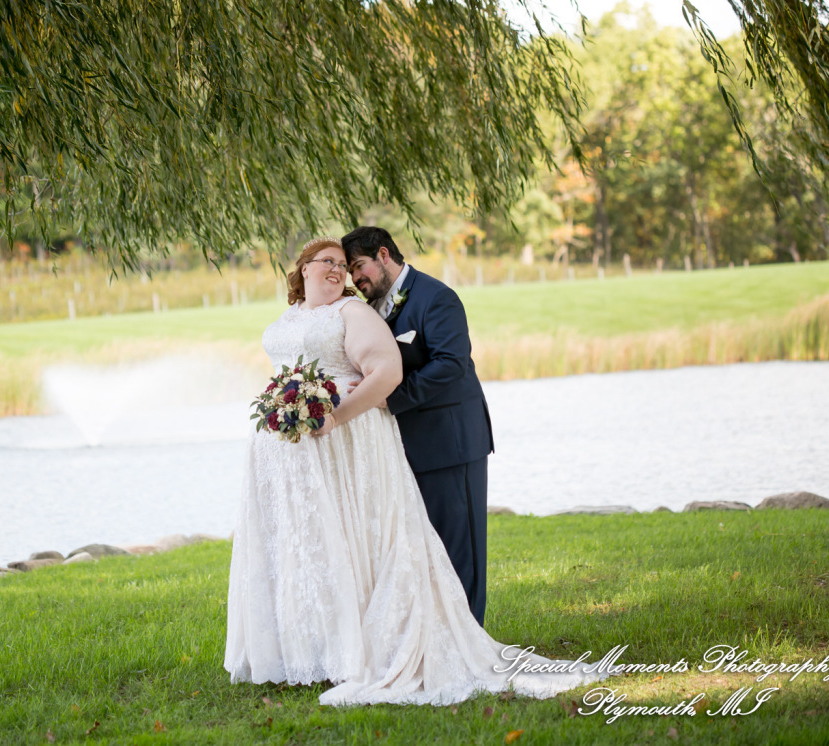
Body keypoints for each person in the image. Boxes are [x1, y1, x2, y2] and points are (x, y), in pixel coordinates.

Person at [224, 237, 611, 706]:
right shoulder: (353, 307)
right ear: (303, 267)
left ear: (383, 256)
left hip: (446, 435)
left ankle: (455, 636)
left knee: (452, 542)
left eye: (350, 266)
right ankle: (323, 648)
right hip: (329, 451)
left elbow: (446, 364)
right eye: (334, 264)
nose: (347, 274)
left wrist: (357, 408)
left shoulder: (425, 298)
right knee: (337, 543)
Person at [342, 226, 493, 626]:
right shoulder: (372, 308)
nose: (356, 280)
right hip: (405, 447)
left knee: (460, 546)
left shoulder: (436, 297)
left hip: (451, 443)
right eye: (351, 272)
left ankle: (471, 635)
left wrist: (386, 397)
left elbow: (450, 364)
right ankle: (438, 635)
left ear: (385, 255)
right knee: (423, 548)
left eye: (359, 267)